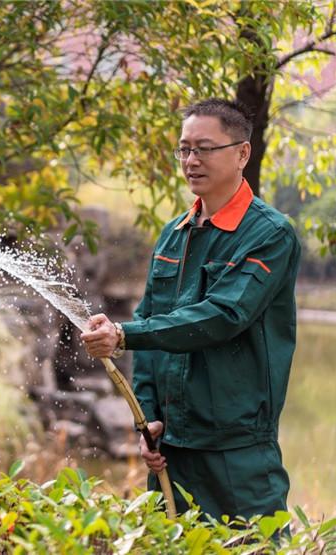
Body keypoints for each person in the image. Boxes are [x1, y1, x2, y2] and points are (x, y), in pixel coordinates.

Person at [80, 98, 300, 520]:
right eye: (184, 149)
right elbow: (149, 321)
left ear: (242, 153)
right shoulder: (174, 234)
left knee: (253, 546)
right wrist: (148, 418)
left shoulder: (270, 234)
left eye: (205, 148)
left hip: (237, 453)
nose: (191, 160)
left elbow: (224, 315)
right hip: (171, 449)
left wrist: (123, 335)